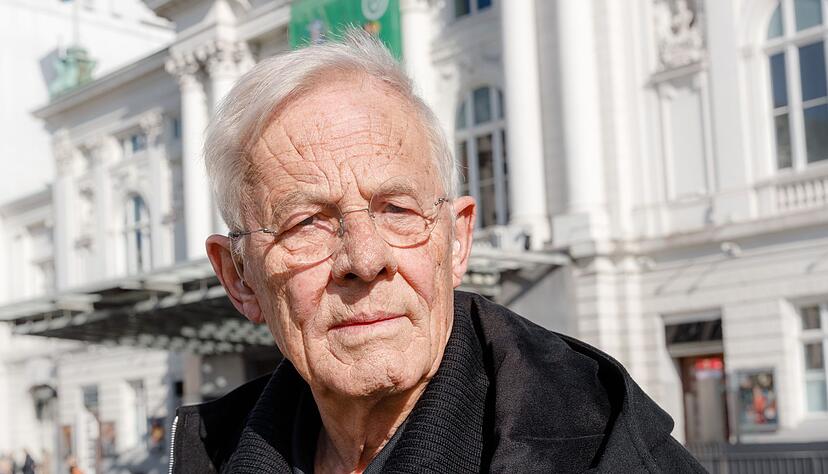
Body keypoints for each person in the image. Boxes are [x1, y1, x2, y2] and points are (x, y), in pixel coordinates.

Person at [171, 30, 705, 473]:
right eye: (306, 222)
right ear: (239, 276)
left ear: (457, 240)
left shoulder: (603, 450)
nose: (364, 259)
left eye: (397, 211)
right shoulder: (212, 452)